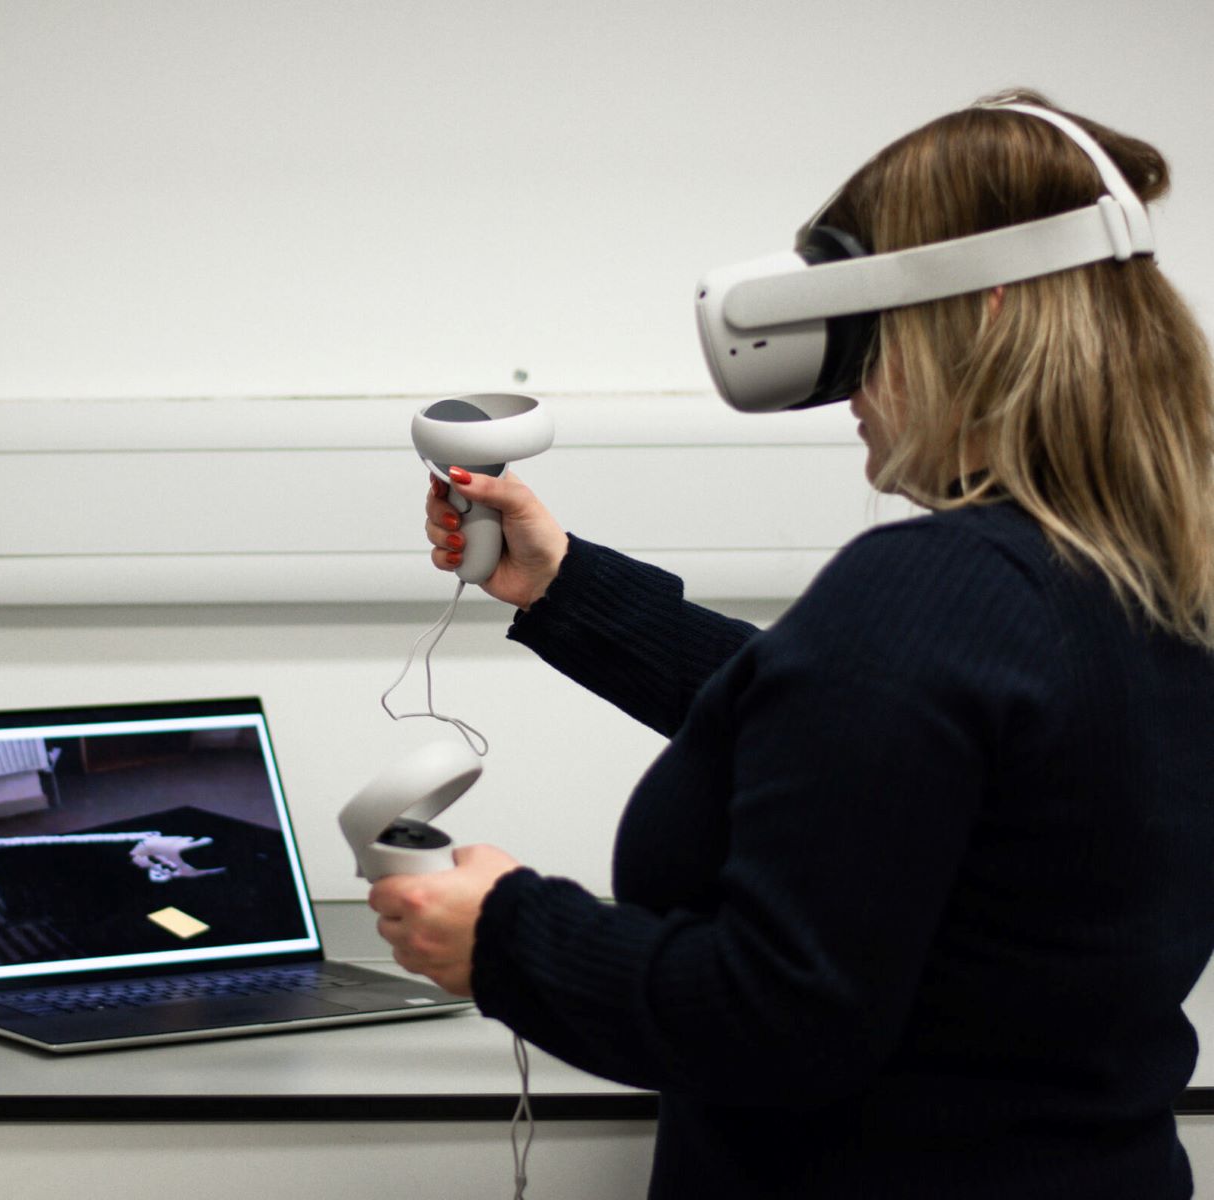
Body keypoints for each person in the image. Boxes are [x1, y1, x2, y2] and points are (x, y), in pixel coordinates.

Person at [369, 90, 1214, 1198]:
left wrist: (505, 934)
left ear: (988, 314)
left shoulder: (933, 583)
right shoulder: (1148, 576)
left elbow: (775, 1020)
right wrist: (570, 588)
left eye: (866, 337)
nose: (847, 388)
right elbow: (866, 751)